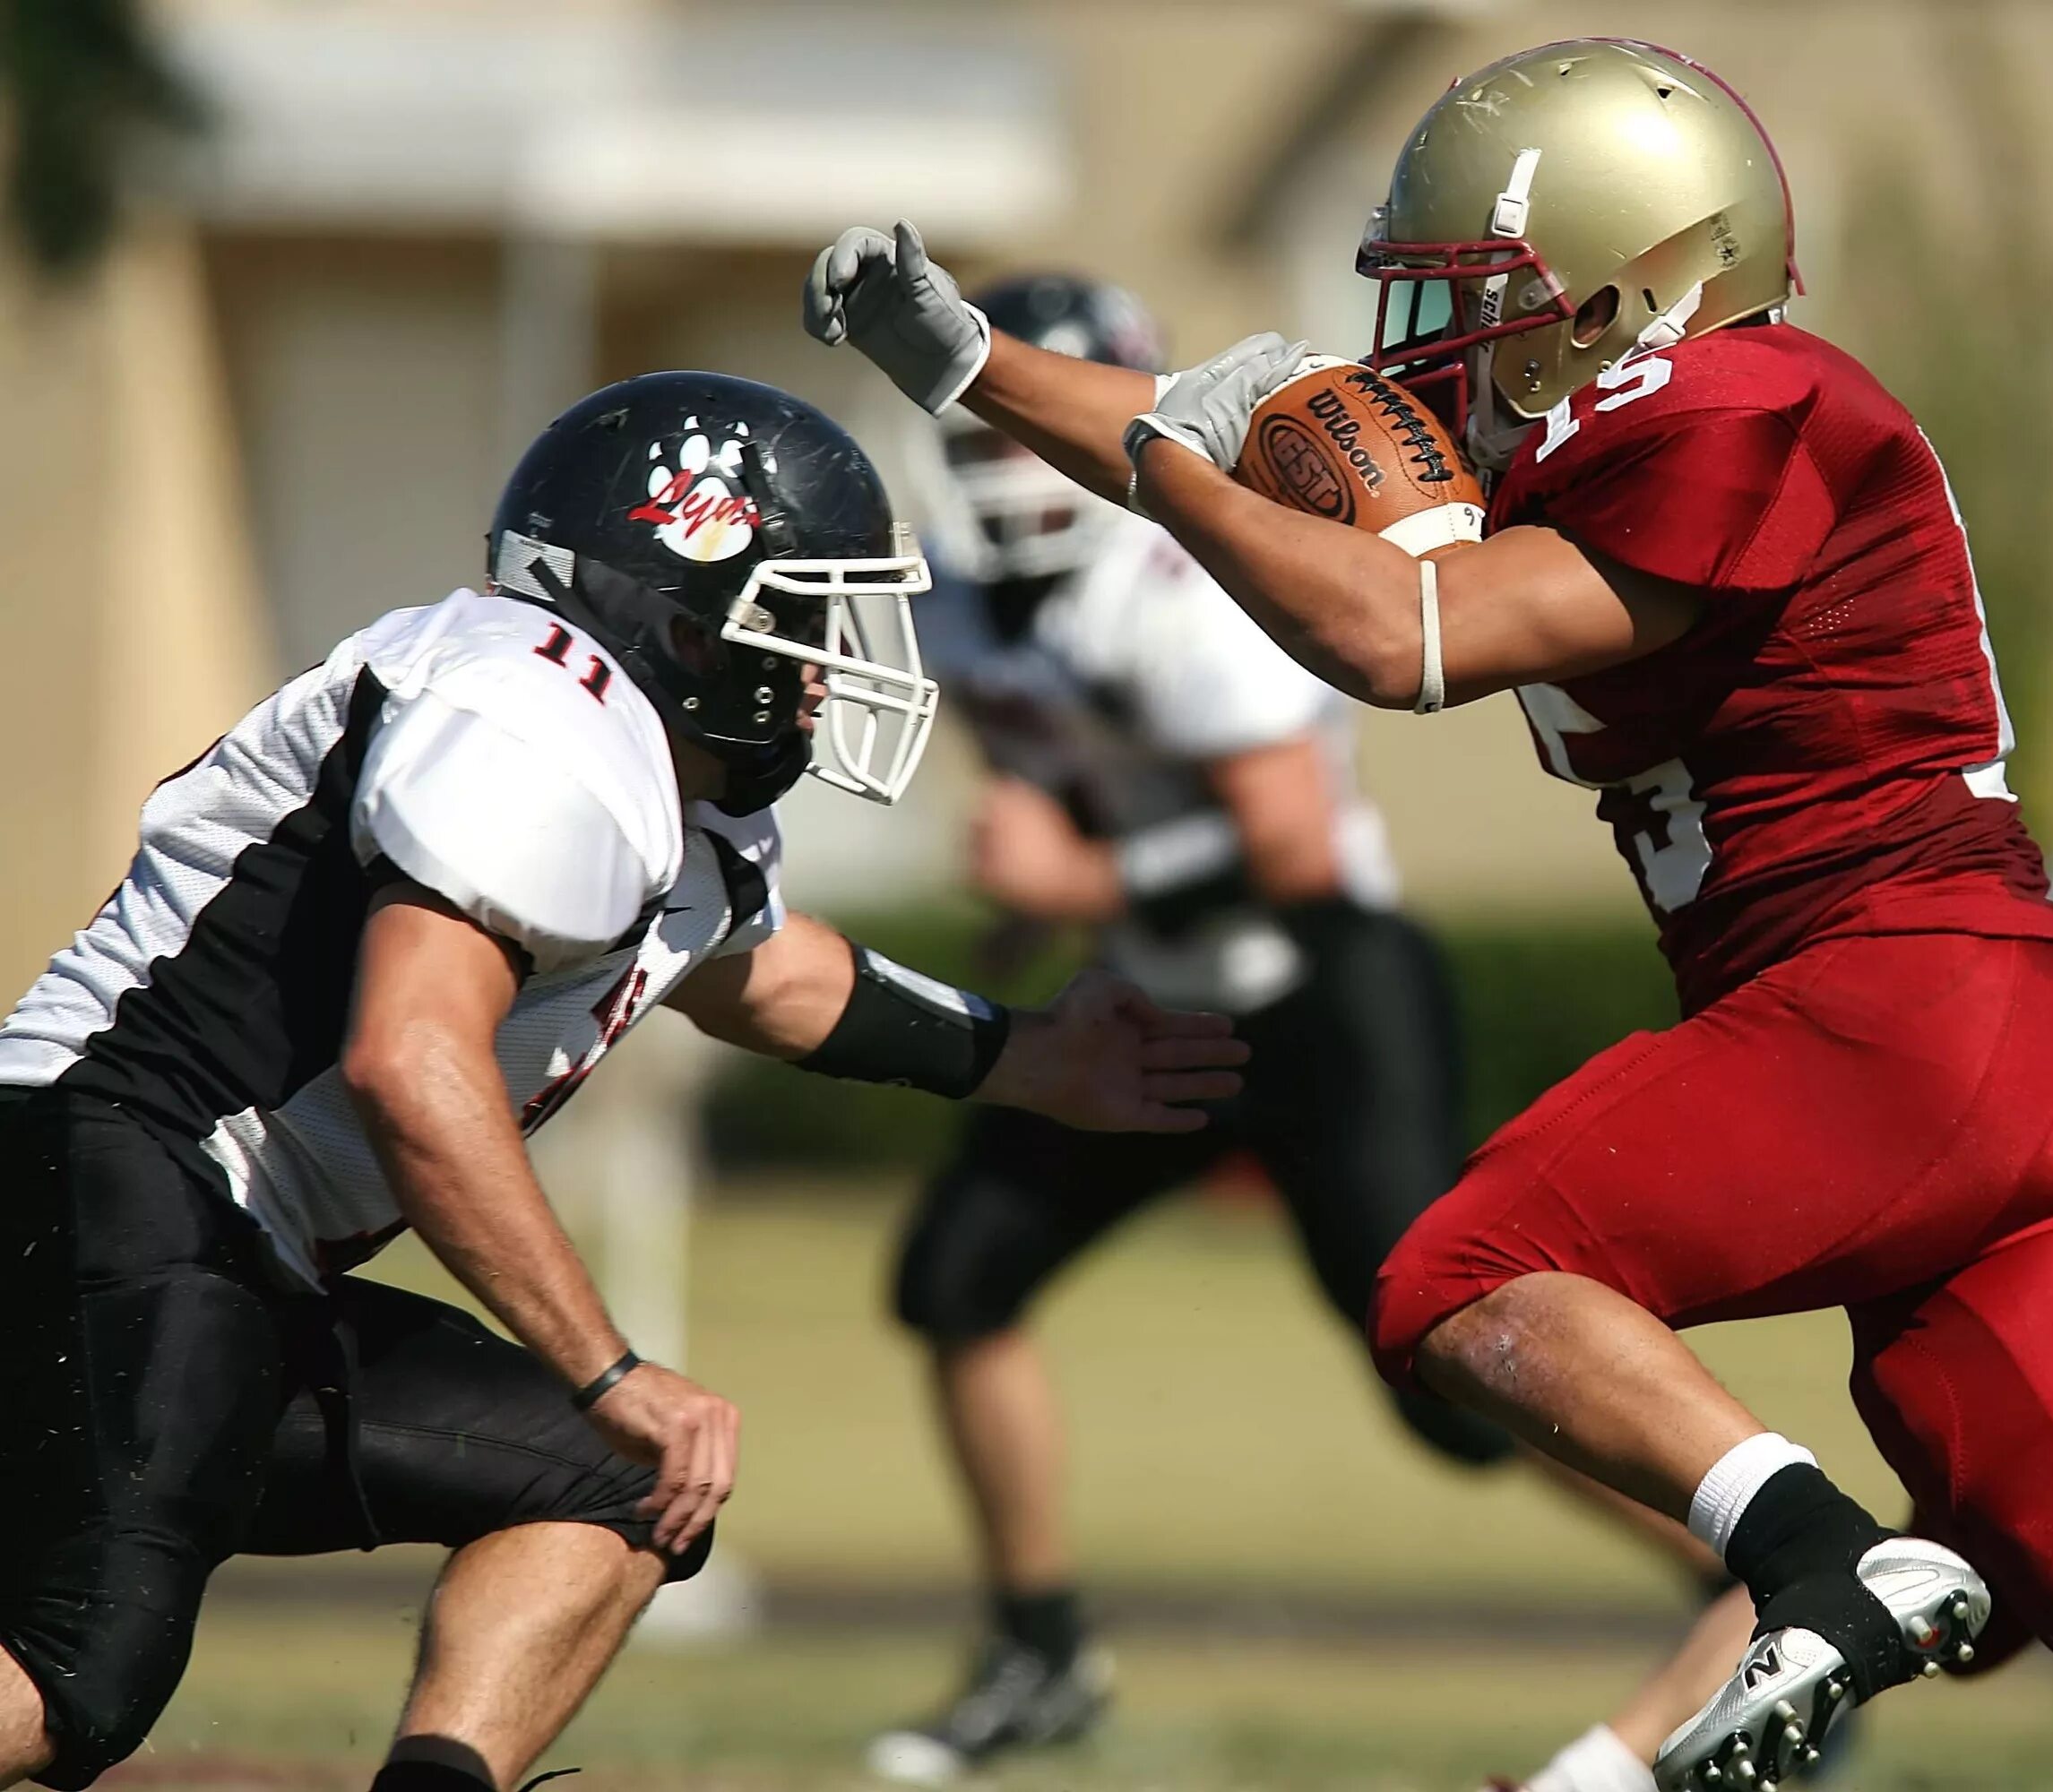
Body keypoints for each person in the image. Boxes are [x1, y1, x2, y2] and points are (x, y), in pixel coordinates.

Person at [805, 37, 2053, 1792]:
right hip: (2028, 1041)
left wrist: (1181, 470)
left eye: (1479, 289)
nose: (1433, 340)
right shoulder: (1598, 429)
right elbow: (1193, 425)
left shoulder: (1747, 398)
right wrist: (973, 371)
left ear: (1623, 284)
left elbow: (1395, 633)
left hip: (1893, 996)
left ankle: (1817, 1557)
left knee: (1459, 1276)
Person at [0, 370, 1246, 1792]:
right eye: (803, 613)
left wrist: (1025, 1052)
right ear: (680, 608)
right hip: (104, 1174)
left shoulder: (649, 777)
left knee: (622, 1488)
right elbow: (410, 1065)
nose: (832, 666)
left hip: (193, 1229)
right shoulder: (539, 715)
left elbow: (768, 976)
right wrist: (607, 1364)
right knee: (77, 1673)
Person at [868, 273, 1734, 1785]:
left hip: (1323, 994)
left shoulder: (1183, 581)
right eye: (990, 436)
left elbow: (1293, 848)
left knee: (1459, 1377)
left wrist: (1072, 874)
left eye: (1031, 432)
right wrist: (1048, 907)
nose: (1008, 466)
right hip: (1161, 994)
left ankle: (1753, 1581)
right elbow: (1094, 786)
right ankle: (1040, 1647)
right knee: (956, 1279)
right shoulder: (964, 600)